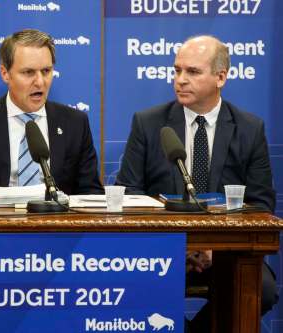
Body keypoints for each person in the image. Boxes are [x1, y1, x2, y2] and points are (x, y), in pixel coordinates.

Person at [115, 35, 278, 332]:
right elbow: (129, 194)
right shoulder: (149, 123)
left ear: (220, 77)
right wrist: (178, 247)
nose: (180, 80)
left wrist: (216, 249)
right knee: (129, 288)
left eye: (192, 72)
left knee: (263, 290)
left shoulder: (250, 129)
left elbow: (262, 204)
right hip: (162, 250)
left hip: (226, 255)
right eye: (177, 70)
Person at [0, 29, 103, 196]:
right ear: (5, 74)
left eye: (46, 71)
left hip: (55, 220)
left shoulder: (75, 123)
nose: (40, 82)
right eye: (28, 72)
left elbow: (91, 193)